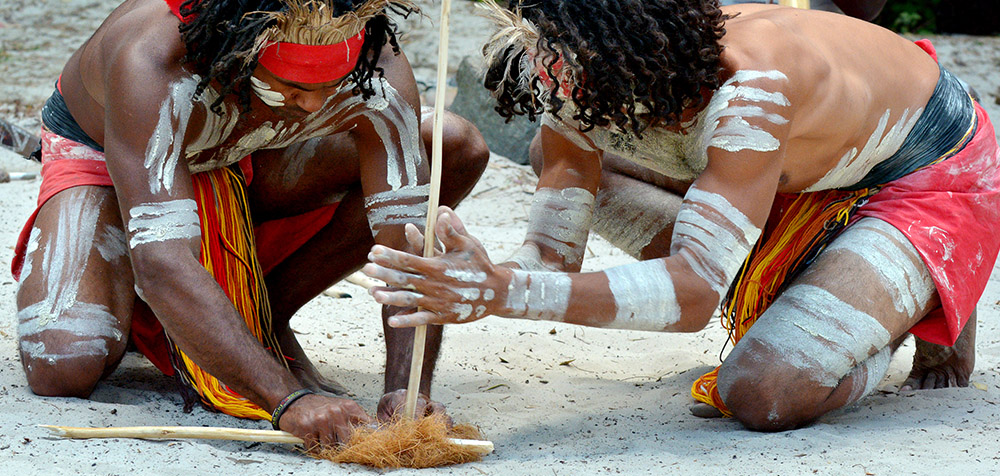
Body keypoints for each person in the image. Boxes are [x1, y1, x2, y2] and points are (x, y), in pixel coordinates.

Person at [362, 0, 999, 431]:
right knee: (571, 157)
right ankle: (827, 287)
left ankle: (912, 300)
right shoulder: (575, 70)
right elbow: (550, 263)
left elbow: (694, 294)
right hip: (793, 173)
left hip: (925, 175)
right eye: (545, 69)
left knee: (762, 392)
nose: (555, 92)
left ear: (622, 60)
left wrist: (502, 292)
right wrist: (483, 276)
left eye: (568, 76)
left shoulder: (754, 86)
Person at [12, 0, 488, 447]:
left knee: (449, 145)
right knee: (65, 361)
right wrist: (288, 401)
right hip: (119, 159)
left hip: (250, 149)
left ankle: (264, 314)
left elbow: (406, 241)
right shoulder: (154, 61)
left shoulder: (372, 60)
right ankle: (144, 297)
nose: (315, 106)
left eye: (330, 86)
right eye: (295, 87)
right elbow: (161, 261)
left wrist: (408, 394)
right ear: (241, 52)